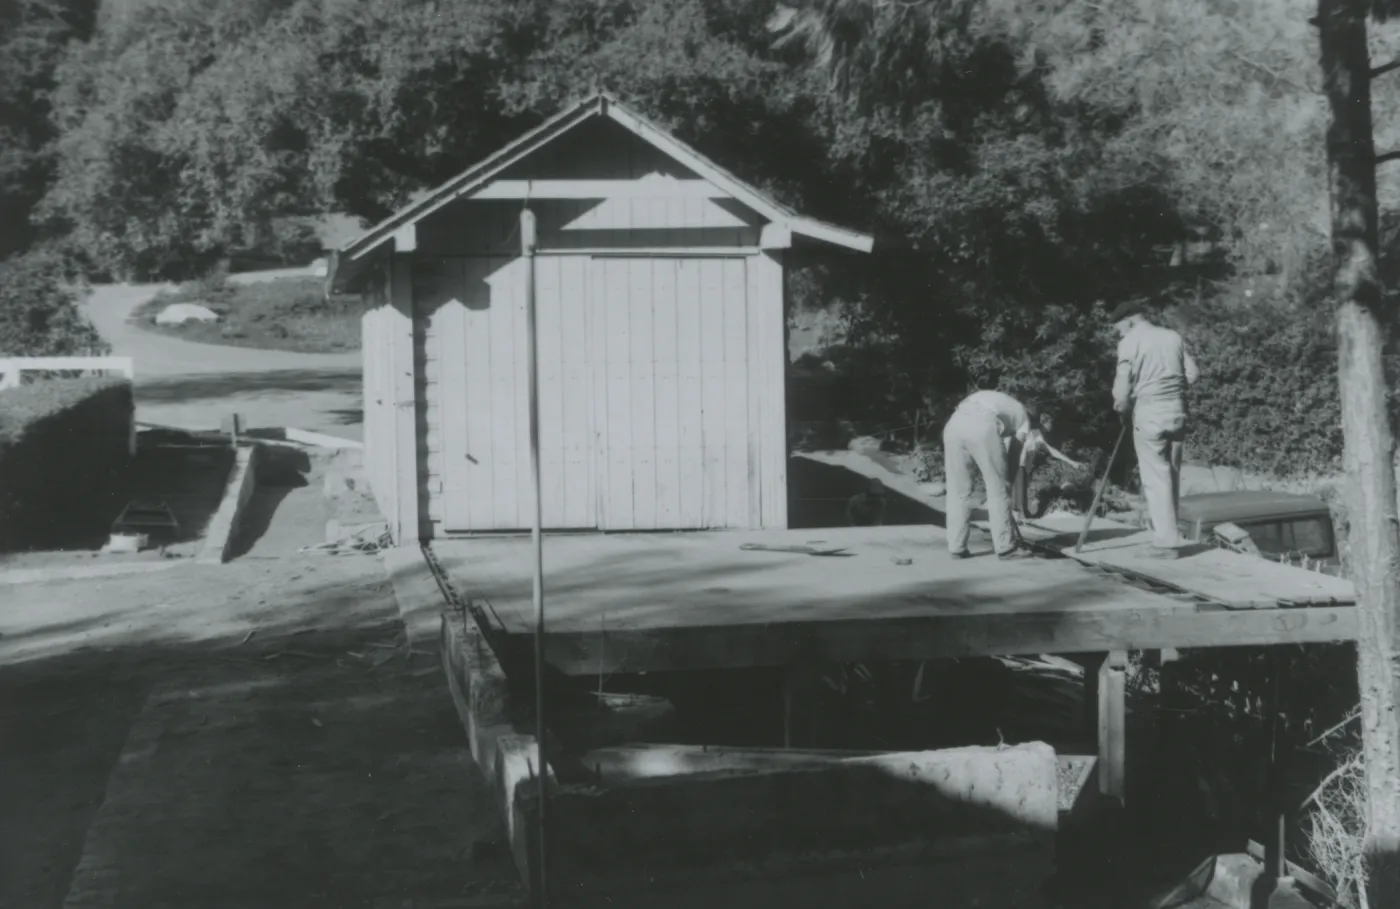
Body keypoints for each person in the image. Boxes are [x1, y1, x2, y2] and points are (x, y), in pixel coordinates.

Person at [1109, 299, 1201, 559]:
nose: (1119, 333)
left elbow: (1122, 390)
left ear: (1129, 320)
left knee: (1155, 477)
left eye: (1119, 328)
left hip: (1150, 411)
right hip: (1177, 410)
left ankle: (1166, 543)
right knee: (1171, 474)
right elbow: (1193, 374)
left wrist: (1122, 407)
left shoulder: (1129, 341)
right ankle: (1170, 534)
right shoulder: (1172, 336)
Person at [942, 389, 1041, 560]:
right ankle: (1005, 548)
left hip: (953, 425)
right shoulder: (1023, 416)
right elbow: (1015, 455)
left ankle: (956, 547)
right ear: (1032, 414)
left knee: (958, 491)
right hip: (982, 425)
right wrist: (1007, 483)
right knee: (998, 489)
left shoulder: (1001, 400)